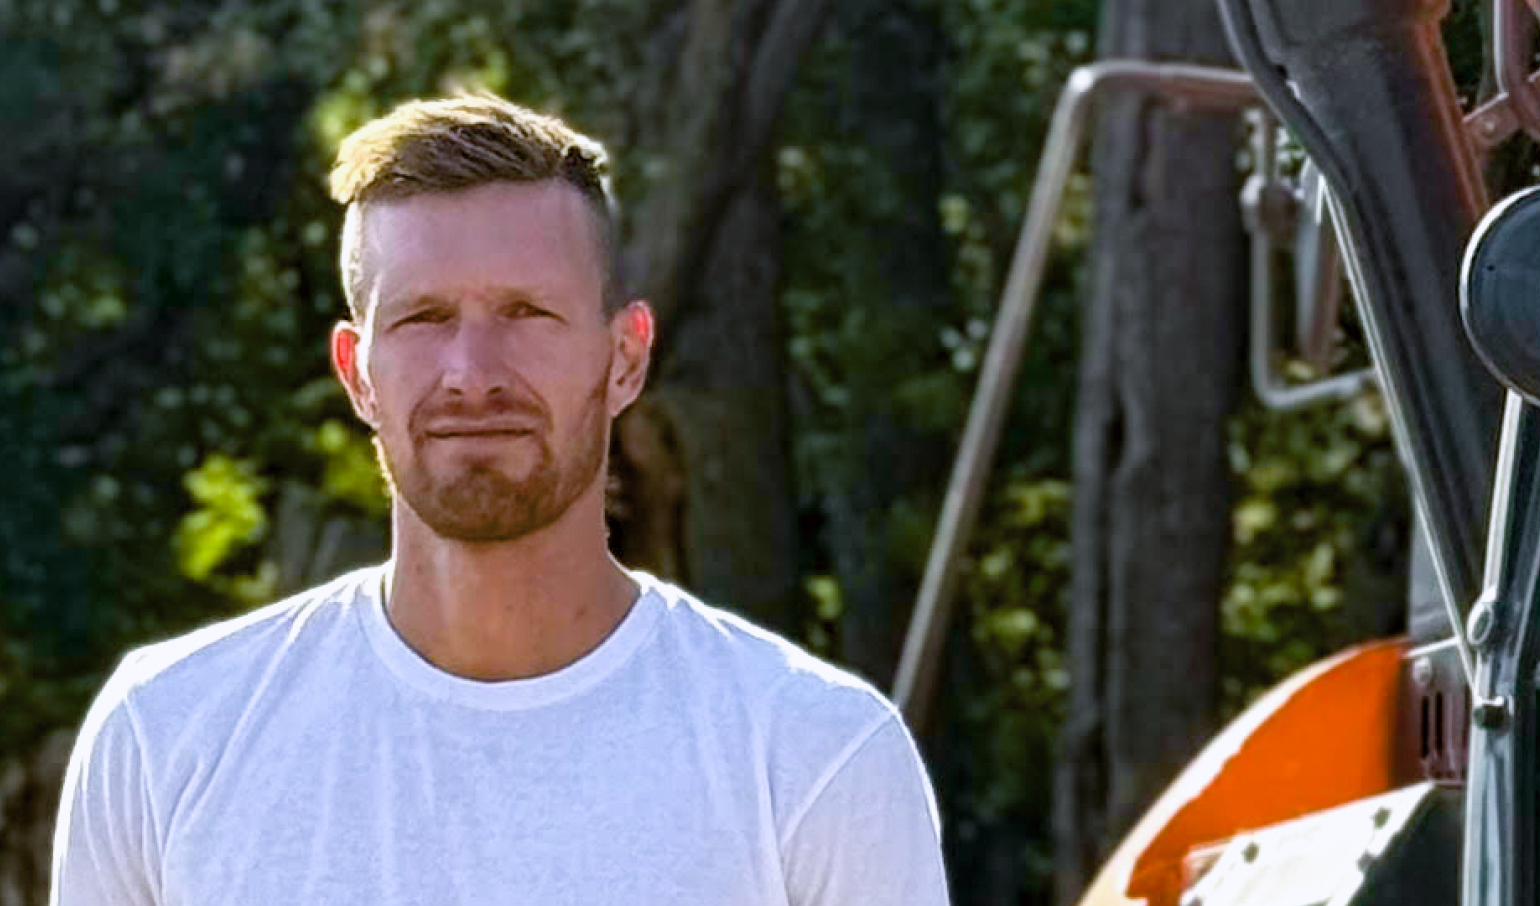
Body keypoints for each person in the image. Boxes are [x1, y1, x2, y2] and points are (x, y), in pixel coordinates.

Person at [50, 94, 950, 905]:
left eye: (526, 313)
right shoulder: (168, 736)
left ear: (624, 357)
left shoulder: (814, 757)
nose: (471, 376)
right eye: (423, 319)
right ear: (356, 372)